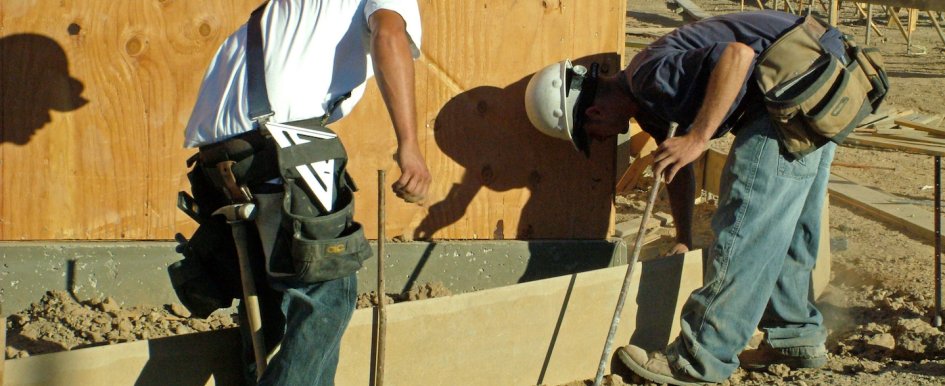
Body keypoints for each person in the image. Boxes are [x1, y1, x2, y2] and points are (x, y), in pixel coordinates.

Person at [524, 10, 882, 385]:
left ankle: (699, 358)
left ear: (593, 112)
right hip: (822, 79)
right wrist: (683, 238)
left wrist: (697, 139)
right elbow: (676, 170)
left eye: (591, 135)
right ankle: (795, 336)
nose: (600, 140)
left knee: (748, 221)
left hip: (797, 83)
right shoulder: (647, 99)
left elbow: (737, 56)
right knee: (787, 223)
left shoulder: (649, 78)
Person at [182, 0, 431, 385]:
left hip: (218, 153)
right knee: (326, 289)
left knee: (272, 301)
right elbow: (389, 34)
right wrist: (410, 145)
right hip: (280, 139)